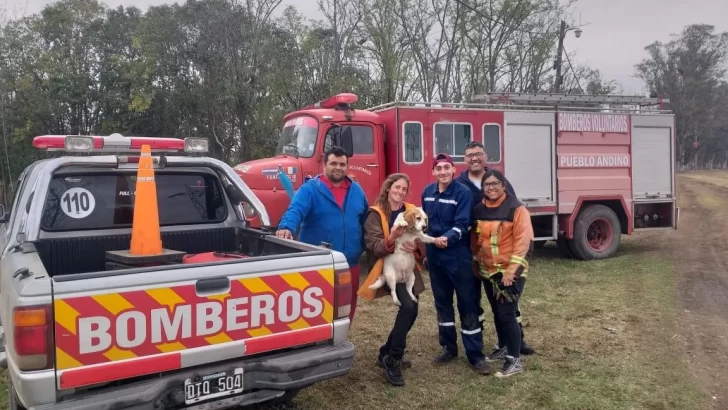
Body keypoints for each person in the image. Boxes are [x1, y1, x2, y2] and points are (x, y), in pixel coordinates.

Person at [456, 141, 535, 356]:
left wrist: (513, 266)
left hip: (504, 260)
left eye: (478, 154)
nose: (474, 158)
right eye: (470, 155)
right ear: (464, 159)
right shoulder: (459, 183)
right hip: (478, 258)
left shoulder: (501, 181)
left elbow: (516, 218)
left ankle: (516, 342)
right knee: (482, 303)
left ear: (485, 157)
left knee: (507, 305)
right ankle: (492, 343)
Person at [276, 146, 369, 321]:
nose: (338, 167)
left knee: (346, 308)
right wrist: (286, 227)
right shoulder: (310, 189)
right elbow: (295, 209)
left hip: (350, 263)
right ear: (324, 165)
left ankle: (341, 339)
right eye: (333, 163)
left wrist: (363, 245)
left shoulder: (357, 191)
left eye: (342, 164)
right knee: (316, 311)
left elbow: (367, 219)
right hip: (320, 264)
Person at [421, 153, 490, 374]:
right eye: (438, 168)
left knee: (467, 303)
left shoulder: (463, 193)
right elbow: (425, 223)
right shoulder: (427, 193)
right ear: (433, 172)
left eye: (446, 168)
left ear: (453, 170)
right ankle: (448, 347)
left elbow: (463, 224)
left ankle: (475, 355)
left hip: (457, 256)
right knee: (442, 303)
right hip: (435, 256)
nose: (442, 172)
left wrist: (447, 239)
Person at [358, 173, 426, 387]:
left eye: (404, 189)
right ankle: (393, 360)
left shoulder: (411, 211)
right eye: (396, 187)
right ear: (388, 188)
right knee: (407, 307)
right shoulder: (375, 214)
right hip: (386, 268)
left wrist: (416, 247)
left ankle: (385, 352)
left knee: (413, 309)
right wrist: (394, 236)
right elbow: (374, 245)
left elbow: (421, 237)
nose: (400, 192)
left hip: (406, 267)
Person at [471, 169, 534, 378]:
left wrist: (511, 272)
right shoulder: (479, 209)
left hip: (509, 272)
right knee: (498, 312)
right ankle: (505, 346)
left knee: (507, 314)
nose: (490, 188)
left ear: (503, 185)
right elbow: (476, 240)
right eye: (486, 185)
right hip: (489, 272)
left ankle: (514, 360)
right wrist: (476, 263)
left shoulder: (516, 209)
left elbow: (524, 243)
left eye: (494, 184)